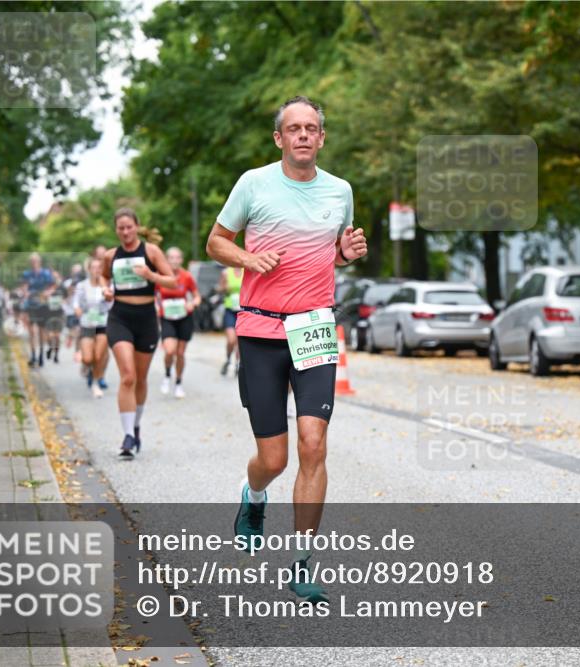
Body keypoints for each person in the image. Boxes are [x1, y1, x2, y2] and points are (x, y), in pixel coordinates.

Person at [207, 96, 366, 603]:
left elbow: (333, 255)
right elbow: (215, 242)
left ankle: (302, 562)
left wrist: (345, 254)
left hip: (315, 329)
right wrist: (248, 258)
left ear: (322, 137)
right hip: (259, 332)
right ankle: (253, 496)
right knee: (273, 459)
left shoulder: (340, 191)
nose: (302, 135)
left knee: (314, 445)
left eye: (311, 128)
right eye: (293, 128)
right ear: (279, 138)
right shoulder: (253, 184)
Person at [103, 208, 176, 457]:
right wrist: (106, 290)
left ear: (136, 227)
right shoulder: (110, 255)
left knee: (141, 379)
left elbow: (172, 281)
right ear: (116, 230)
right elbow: (104, 278)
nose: (125, 232)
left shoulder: (151, 252)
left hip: (146, 319)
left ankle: (135, 426)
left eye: (129, 227)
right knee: (127, 376)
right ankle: (127, 437)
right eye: (120, 228)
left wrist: (150, 275)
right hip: (119, 318)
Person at [157, 247, 201, 398]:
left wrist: (193, 304)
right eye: (171, 258)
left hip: (184, 317)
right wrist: (155, 306)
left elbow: (197, 296)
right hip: (167, 317)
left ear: (181, 260)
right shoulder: (160, 276)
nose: (174, 261)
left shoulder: (186, 276)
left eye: (177, 258)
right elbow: (151, 296)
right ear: (166, 260)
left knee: (180, 353)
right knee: (169, 350)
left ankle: (178, 383)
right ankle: (167, 375)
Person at [75, 257, 112, 398]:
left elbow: (111, 304)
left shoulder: (107, 286)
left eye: (99, 267)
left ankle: (95, 383)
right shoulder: (82, 286)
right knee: (87, 358)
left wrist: (108, 296)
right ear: (89, 269)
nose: (96, 270)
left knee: (98, 356)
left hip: (103, 323)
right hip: (87, 323)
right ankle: (86, 367)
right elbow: (75, 303)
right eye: (94, 267)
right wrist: (77, 309)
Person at [20, 253, 56, 367]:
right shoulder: (27, 274)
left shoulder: (46, 274)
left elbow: (53, 286)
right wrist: (26, 293)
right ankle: (33, 355)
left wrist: (47, 293)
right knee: (31, 332)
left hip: (42, 305)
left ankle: (41, 355)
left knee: (41, 331)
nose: (34, 263)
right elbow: (24, 287)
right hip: (30, 305)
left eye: (36, 261)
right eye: (32, 261)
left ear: (39, 262)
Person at [218, 265, 243, 376]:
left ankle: (237, 364)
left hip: (242, 311)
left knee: (239, 342)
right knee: (231, 340)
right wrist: (224, 287)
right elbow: (219, 289)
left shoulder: (246, 271)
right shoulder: (226, 272)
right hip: (230, 310)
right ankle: (228, 359)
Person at [44, 271, 67, 363]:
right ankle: (50, 348)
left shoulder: (62, 288)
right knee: (49, 336)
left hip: (59, 314)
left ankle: (56, 355)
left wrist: (63, 302)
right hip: (49, 314)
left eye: (56, 277)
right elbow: (42, 297)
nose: (55, 279)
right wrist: (47, 295)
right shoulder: (47, 287)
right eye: (53, 277)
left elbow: (67, 298)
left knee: (57, 336)